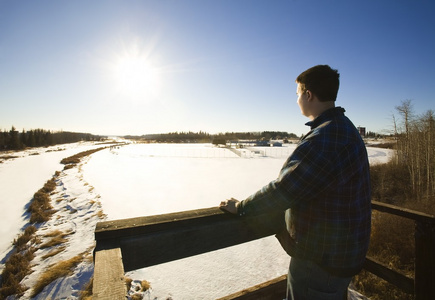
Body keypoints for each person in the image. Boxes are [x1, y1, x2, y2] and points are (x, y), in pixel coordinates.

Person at [219, 65, 371, 300]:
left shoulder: (325, 138)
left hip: (321, 259)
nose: (297, 99)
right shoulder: (344, 127)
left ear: (308, 94)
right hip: (343, 253)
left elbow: (284, 189)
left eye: (298, 93)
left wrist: (241, 208)